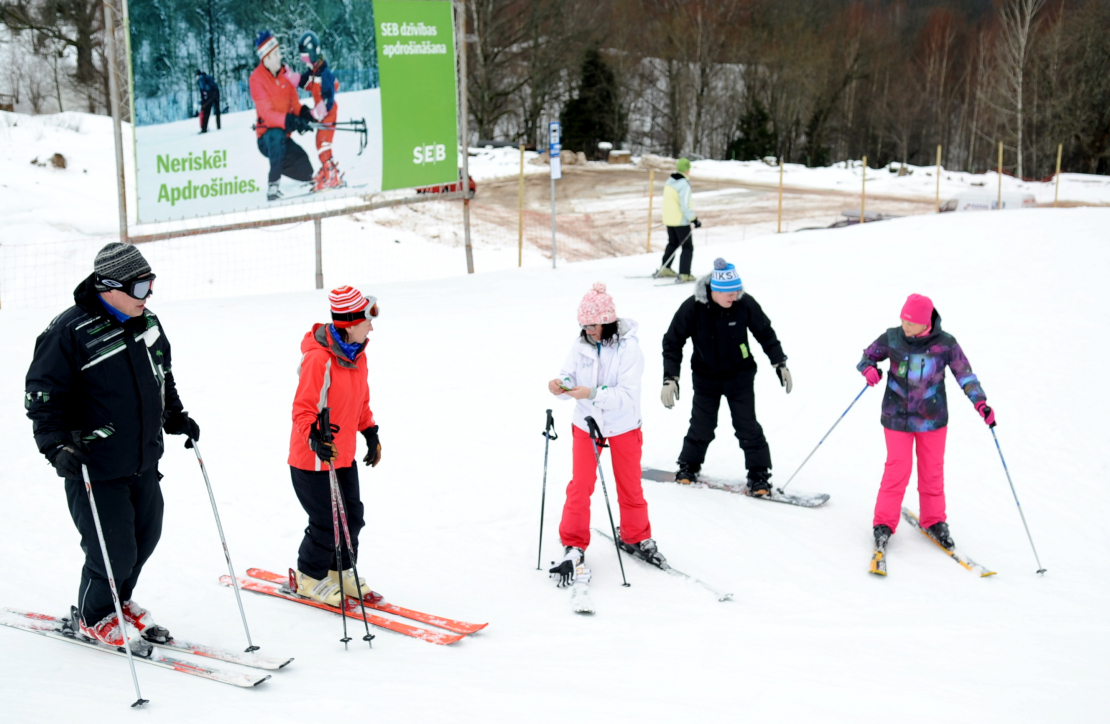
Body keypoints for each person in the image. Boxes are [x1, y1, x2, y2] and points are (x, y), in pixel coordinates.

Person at [25, 243, 200, 648]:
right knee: (112, 550)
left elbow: (162, 375)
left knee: (145, 537)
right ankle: (93, 615)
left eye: (150, 284)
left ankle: (117, 602)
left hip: (141, 456)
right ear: (108, 286)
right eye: (140, 287)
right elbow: (42, 394)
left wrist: (173, 415)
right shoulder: (69, 332)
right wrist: (55, 447)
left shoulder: (147, 323)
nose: (148, 295)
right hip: (94, 463)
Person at [547, 283, 664, 584]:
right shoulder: (580, 345)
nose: (588, 330)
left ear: (608, 321)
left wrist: (592, 392)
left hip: (623, 423)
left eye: (593, 325)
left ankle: (636, 536)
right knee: (580, 485)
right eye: (583, 325)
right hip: (586, 422)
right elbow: (568, 375)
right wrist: (559, 385)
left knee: (629, 485)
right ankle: (573, 543)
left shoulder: (630, 349)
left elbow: (626, 395)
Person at [857, 294, 994, 552]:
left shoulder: (945, 344)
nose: (904, 326)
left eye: (910, 322)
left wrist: (980, 403)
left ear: (925, 323)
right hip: (896, 417)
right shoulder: (892, 337)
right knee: (897, 469)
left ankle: (934, 520)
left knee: (932, 470)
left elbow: (965, 376)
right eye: (902, 320)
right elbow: (866, 357)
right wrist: (869, 370)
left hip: (933, 420)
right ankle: (883, 523)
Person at [661, 258, 791, 494]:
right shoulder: (693, 308)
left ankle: (759, 475)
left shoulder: (744, 304)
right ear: (715, 291)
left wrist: (779, 362)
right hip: (705, 377)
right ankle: (689, 465)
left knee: (747, 426)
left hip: (740, 376)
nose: (735, 296)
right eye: (730, 293)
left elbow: (765, 332)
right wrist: (671, 377)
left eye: (737, 291)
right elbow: (672, 342)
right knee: (702, 425)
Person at [288, 286, 382, 605]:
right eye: (367, 319)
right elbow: (302, 409)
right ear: (349, 322)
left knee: (351, 517)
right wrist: (315, 437)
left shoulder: (358, 354)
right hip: (312, 460)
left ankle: (338, 571)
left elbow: (360, 399)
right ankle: (308, 577)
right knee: (327, 522)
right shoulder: (319, 359)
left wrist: (369, 431)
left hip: (343, 457)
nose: (371, 325)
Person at [249, 30, 314, 201]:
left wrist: (304, 113)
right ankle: (273, 186)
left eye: (278, 52)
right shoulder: (256, 80)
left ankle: (301, 178)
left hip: (283, 137)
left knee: (306, 168)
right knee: (276, 135)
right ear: (267, 58)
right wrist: (290, 121)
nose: (279, 57)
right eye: (276, 53)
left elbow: (294, 104)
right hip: (267, 139)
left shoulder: (286, 74)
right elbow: (267, 115)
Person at [288, 31, 345, 192]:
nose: (304, 61)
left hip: (329, 113)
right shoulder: (313, 72)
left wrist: (316, 114)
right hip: (323, 114)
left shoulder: (324, 74)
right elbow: (303, 81)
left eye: (305, 57)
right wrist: (290, 76)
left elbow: (329, 98)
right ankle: (328, 168)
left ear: (313, 54)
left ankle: (331, 175)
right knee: (320, 142)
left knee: (323, 143)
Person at [658, 157, 700, 282]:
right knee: (687, 247)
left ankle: (665, 267)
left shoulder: (669, 181)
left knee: (672, 244)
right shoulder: (684, 184)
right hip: (681, 221)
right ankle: (684, 274)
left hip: (669, 219)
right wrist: (694, 219)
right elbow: (685, 205)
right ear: (687, 170)